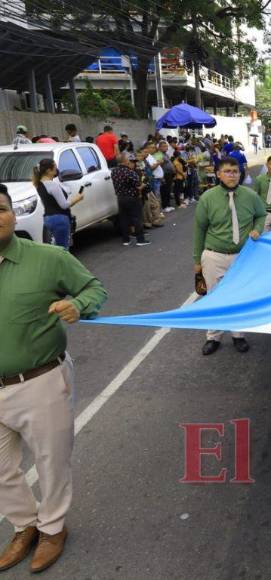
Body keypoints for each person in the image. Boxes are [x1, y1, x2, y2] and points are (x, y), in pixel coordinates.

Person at [0, 186, 107, 573]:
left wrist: (77, 305)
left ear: (13, 213)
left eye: (0, 209)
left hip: (40, 381)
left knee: (51, 463)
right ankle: (24, 525)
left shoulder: (48, 258)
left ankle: (52, 528)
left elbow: (95, 288)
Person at [193, 157, 267, 355]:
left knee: (239, 295)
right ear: (218, 174)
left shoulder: (250, 196)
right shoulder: (207, 198)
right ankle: (213, 337)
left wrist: (258, 229)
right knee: (214, 298)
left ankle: (238, 335)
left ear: (240, 174)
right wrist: (197, 261)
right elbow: (200, 229)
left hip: (242, 257)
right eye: (227, 171)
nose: (232, 175)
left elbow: (261, 215)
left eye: (235, 171)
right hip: (214, 256)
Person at [33, 159, 84, 251]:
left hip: (48, 218)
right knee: (63, 249)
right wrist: (78, 198)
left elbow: (45, 202)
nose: (57, 169)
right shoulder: (52, 185)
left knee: (56, 248)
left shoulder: (39, 185)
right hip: (60, 218)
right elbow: (64, 205)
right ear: (48, 170)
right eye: (55, 167)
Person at [111, 153, 150, 246]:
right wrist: (145, 183)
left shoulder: (114, 171)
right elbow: (139, 186)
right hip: (132, 197)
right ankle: (140, 240)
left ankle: (126, 240)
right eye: (128, 159)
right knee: (137, 218)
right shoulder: (129, 172)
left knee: (124, 219)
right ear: (125, 161)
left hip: (120, 197)